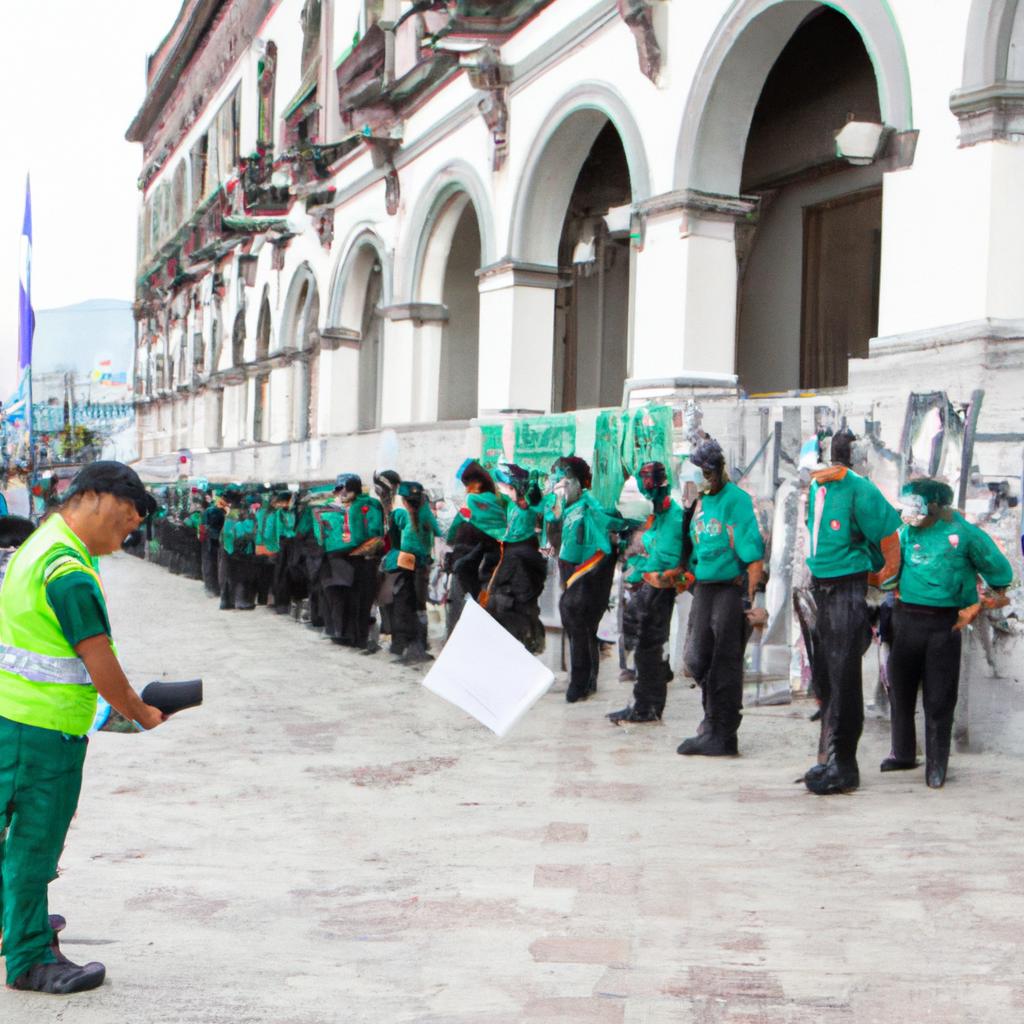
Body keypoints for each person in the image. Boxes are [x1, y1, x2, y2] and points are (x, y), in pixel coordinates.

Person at [0, 461, 163, 995]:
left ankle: (18, 918)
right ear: (90, 496)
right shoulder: (67, 569)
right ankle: (29, 958)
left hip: (16, 718)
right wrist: (139, 711)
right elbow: (96, 658)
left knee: (15, 838)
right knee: (34, 844)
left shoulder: (41, 543)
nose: (126, 532)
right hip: (42, 734)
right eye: (123, 518)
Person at [883, 478, 1013, 787]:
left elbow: (1000, 573)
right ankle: (902, 753)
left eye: (918, 507)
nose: (912, 514)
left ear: (940, 507)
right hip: (906, 620)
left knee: (939, 697)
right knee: (900, 691)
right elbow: (888, 574)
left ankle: (937, 764)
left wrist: (983, 603)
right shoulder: (904, 533)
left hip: (944, 624)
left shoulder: (967, 535)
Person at [801, 428, 901, 795]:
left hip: (847, 588)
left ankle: (845, 765)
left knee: (843, 675)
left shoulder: (861, 490)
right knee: (826, 674)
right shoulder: (818, 487)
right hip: (822, 587)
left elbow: (891, 537)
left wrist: (884, 578)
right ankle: (831, 755)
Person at [674, 440, 765, 754]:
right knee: (697, 659)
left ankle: (722, 733)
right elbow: (694, 546)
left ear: (718, 469)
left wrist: (753, 600)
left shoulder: (736, 501)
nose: (703, 478)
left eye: (708, 472)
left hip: (730, 588)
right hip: (704, 588)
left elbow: (753, 554)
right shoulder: (699, 503)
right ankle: (711, 723)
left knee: (724, 662)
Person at [608, 461, 685, 724]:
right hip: (650, 584)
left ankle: (647, 707)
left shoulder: (672, 516)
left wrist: (659, 576)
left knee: (649, 647)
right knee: (646, 647)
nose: (648, 490)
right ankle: (645, 704)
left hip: (660, 588)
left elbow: (672, 559)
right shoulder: (659, 515)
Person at [546, 456, 622, 703]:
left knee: (579, 621)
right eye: (555, 482)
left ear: (579, 482)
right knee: (581, 628)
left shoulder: (590, 505)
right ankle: (587, 680)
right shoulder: (562, 508)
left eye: (564, 481)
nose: (559, 487)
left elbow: (609, 526)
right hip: (571, 571)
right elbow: (557, 538)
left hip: (589, 573)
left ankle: (579, 684)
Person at [484, 461, 548, 652]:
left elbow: (535, 505)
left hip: (521, 556)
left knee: (518, 603)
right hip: (517, 553)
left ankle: (523, 643)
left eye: (503, 485)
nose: (500, 488)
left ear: (512, 486)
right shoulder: (512, 505)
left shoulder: (525, 506)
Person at [446, 460, 504, 635]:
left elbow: (452, 533)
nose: (466, 489)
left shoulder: (472, 501)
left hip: (467, 564)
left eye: (467, 484)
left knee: (460, 612)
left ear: (477, 483)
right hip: (491, 565)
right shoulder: (498, 503)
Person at [380, 481, 435, 663]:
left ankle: (403, 646)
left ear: (403, 500)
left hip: (403, 564)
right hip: (421, 565)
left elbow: (394, 541)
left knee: (402, 605)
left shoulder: (399, 515)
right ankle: (419, 645)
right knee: (419, 606)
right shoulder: (427, 515)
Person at [200, 489, 224, 597]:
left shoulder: (209, 511)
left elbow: (202, 528)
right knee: (215, 564)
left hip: (211, 540)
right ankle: (214, 588)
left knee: (210, 563)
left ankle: (211, 587)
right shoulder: (222, 511)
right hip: (216, 539)